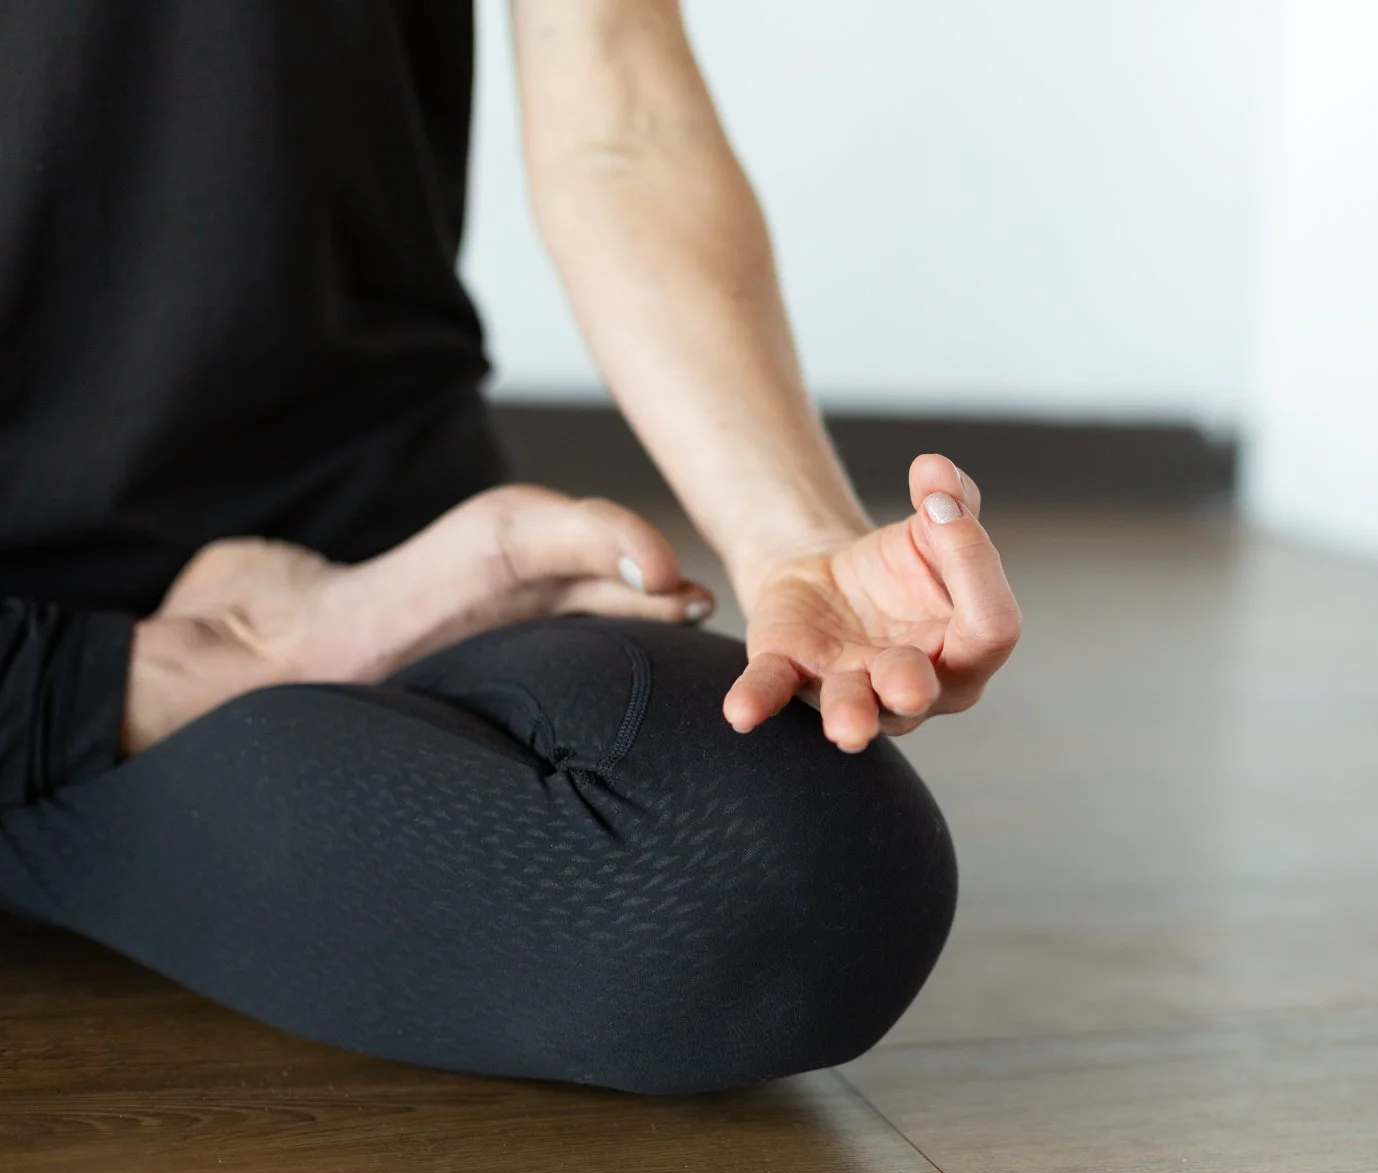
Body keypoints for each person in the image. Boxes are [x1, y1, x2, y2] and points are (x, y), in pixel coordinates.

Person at [0, 1, 1021, 1094]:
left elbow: (622, 119)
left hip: (374, 549)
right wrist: (141, 672)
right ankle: (121, 715)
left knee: (802, 878)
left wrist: (791, 537)